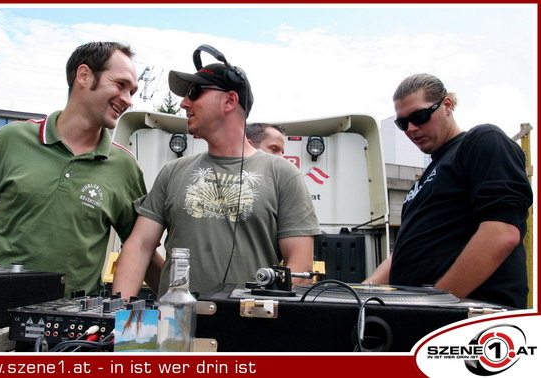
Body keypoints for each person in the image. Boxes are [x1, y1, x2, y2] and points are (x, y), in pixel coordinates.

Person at [112, 46, 321, 300]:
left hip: (251, 327)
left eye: (195, 92)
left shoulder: (283, 174)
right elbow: (139, 246)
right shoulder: (172, 172)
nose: (184, 103)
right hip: (176, 326)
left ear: (230, 101)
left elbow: (299, 267)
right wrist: (119, 316)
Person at [0, 41, 149, 297]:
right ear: (84, 75)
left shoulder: (124, 166)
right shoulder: (12, 139)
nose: (127, 100)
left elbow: (141, 248)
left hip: (72, 325)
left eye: (132, 92)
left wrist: (188, 307)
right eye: (120, 85)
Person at [363, 73, 533, 309]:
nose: (411, 128)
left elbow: (501, 233)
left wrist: (434, 305)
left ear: (447, 105)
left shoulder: (482, 141)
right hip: (421, 313)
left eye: (419, 116)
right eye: (402, 123)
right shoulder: (422, 183)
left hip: (470, 316)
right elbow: (403, 255)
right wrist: (357, 297)